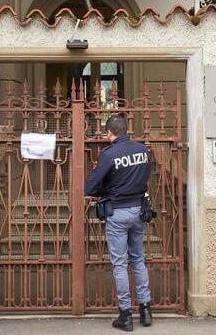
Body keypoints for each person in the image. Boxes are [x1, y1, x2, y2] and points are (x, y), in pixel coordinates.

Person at [84, 114, 153, 332]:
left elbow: (90, 187)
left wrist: (106, 190)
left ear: (110, 133)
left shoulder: (109, 154)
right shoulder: (143, 151)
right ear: (126, 130)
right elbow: (146, 175)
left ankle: (125, 315)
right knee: (138, 259)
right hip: (138, 210)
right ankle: (145, 310)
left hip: (118, 213)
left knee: (120, 264)